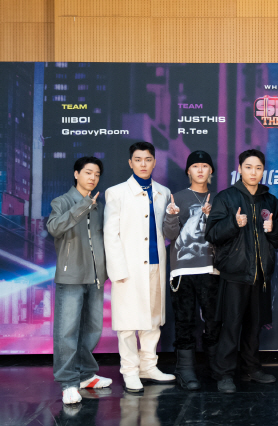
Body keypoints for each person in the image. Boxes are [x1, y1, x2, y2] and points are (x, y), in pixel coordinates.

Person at [205, 149, 278, 393]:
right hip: (235, 274)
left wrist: (272, 230)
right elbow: (212, 234)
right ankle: (224, 373)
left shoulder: (270, 201)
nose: (253, 172)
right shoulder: (226, 197)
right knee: (231, 326)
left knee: (254, 326)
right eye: (248, 167)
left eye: (258, 168)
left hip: (260, 275)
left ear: (263, 171)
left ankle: (251, 368)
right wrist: (233, 223)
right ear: (240, 169)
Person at [104, 141, 175, 393]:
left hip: (156, 264)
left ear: (154, 162)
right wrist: (117, 270)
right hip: (128, 268)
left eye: (147, 159)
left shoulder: (163, 192)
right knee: (127, 323)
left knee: (153, 320)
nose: (143, 164)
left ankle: (148, 366)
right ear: (130, 162)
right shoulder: (116, 192)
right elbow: (110, 234)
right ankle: (130, 371)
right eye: (138, 159)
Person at [47, 156, 111, 404]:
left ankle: (86, 375)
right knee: (67, 331)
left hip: (95, 276)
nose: (93, 178)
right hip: (71, 275)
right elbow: (54, 227)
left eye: (97, 174)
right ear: (76, 174)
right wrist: (82, 206)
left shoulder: (99, 206)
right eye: (88, 173)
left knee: (92, 329)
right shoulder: (62, 201)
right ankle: (68, 383)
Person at [162, 150, 219, 391]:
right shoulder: (177, 198)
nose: (200, 170)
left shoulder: (218, 199)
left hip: (210, 269)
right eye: (195, 166)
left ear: (211, 171)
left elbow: (223, 236)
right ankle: (185, 369)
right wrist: (171, 216)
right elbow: (169, 235)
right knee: (184, 321)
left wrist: (212, 218)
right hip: (182, 271)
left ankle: (216, 367)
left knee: (213, 320)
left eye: (204, 166)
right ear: (188, 171)